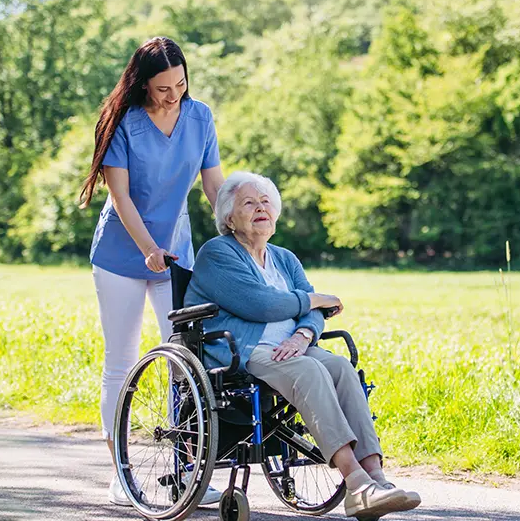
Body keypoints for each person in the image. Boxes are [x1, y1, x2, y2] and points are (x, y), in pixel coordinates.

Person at [184, 171, 422, 519]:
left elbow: (314, 314)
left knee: (340, 367)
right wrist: (315, 299)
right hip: (245, 351)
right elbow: (262, 305)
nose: (260, 208)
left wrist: (304, 334)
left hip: (292, 346)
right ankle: (355, 483)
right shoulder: (217, 254)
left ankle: (377, 479)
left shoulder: (284, 257)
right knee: (309, 369)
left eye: (266, 201)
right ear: (229, 218)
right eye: (248, 203)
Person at [80, 37, 224, 506]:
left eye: (180, 84)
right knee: (121, 363)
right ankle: (121, 473)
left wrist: (238, 226)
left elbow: (214, 185)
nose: (173, 95)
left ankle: (187, 474)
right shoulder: (123, 122)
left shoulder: (199, 116)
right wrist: (148, 248)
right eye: (163, 88)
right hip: (123, 255)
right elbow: (120, 197)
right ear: (143, 84)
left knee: (187, 364)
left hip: (176, 256)